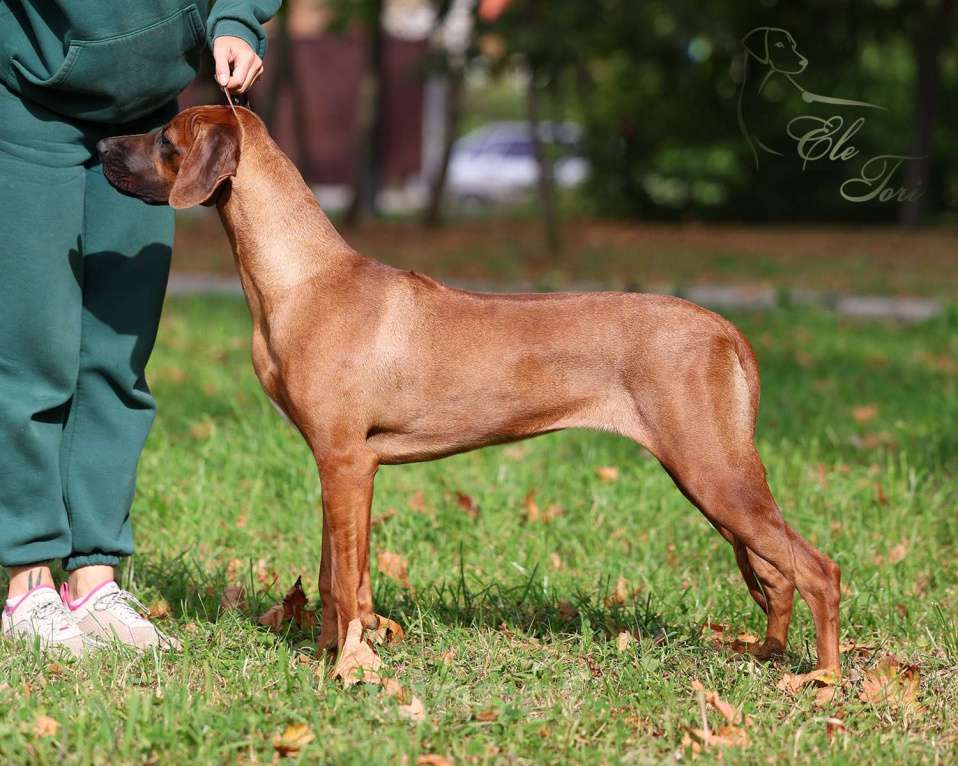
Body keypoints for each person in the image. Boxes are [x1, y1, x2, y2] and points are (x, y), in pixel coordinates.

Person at [0, 0, 280, 655]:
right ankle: (27, 583)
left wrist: (237, 19)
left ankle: (94, 580)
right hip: (27, 98)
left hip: (148, 107)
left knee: (120, 352)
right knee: (32, 349)